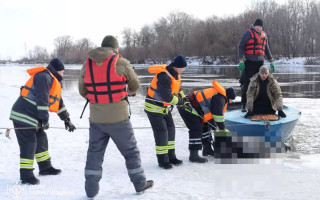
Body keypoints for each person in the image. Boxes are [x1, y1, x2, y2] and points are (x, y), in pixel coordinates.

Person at [79, 35, 153, 198]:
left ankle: (90, 191)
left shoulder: (87, 64)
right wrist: (127, 93)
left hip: (96, 119)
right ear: (115, 48)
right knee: (131, 152)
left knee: (94, 154)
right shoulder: (121, 62)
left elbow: (82, 91)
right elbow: (135, 85)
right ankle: (140, 185)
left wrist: (99, 99)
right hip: (119, 119)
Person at [9, 58, 76, 185]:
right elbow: (42, 100)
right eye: (62, 71)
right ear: (56, 70)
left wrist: (67, 119)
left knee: (41, 140)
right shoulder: (43, 77)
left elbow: (58, 103)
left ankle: (45, 167)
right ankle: (26, 175)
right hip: (23, 115)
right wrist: (45, 119)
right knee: (29, 143)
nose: (63, 74)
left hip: (34, 117)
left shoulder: (52, 80)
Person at [144, 54, 188, 169]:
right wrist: (179, 102)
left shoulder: (175, 75)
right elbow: (167, 97)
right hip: (153, 108)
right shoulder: (164, 76)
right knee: (162, 132)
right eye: (183, 67)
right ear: (177, 67)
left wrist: (184, 99)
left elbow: (178, 89)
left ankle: (171, 157)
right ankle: (162, 160)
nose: (184, 70)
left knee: (171, 130)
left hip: (164, 108)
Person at [178, 81, 236, 158]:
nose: (231, 102)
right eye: (231, 100)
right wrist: (222, 128)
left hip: (195, 107)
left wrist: (216, 129)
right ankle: (193, 156)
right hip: (187, 107)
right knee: (196, 129)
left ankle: (207, 149)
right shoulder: (220, 98)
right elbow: (217, 114)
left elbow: (212, 116)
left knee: (205, 126)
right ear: (228, 97)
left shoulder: (219, 95)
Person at [238, 18, 274, 112]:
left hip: (260, 63)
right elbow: (240, 46)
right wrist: (241, 60)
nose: (259, 28)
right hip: (250, 62)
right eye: (257, 26)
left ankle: (257, 103)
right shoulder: (248, 33)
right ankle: (243, 104)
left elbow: (266, 48)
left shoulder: (264, 35)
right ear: (254, 26)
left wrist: (271, 60)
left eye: (260, 26)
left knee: (260, 83)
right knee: (247, 83)